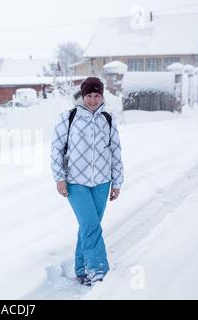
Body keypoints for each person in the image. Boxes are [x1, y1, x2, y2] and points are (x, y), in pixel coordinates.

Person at [51, 77, 124, 286]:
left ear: (102, 96)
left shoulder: (108, 119)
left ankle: (82, 269)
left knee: (88, 226)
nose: (93, 100)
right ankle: (99, 271)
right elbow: (56, 150)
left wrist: (117, 182)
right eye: (89, 95)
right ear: (82, 96)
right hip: (76, 182)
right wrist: (59, 178)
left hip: (102, 182)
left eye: (97, 95)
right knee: (91, 226)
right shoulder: (69, 117)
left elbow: (116, 152)